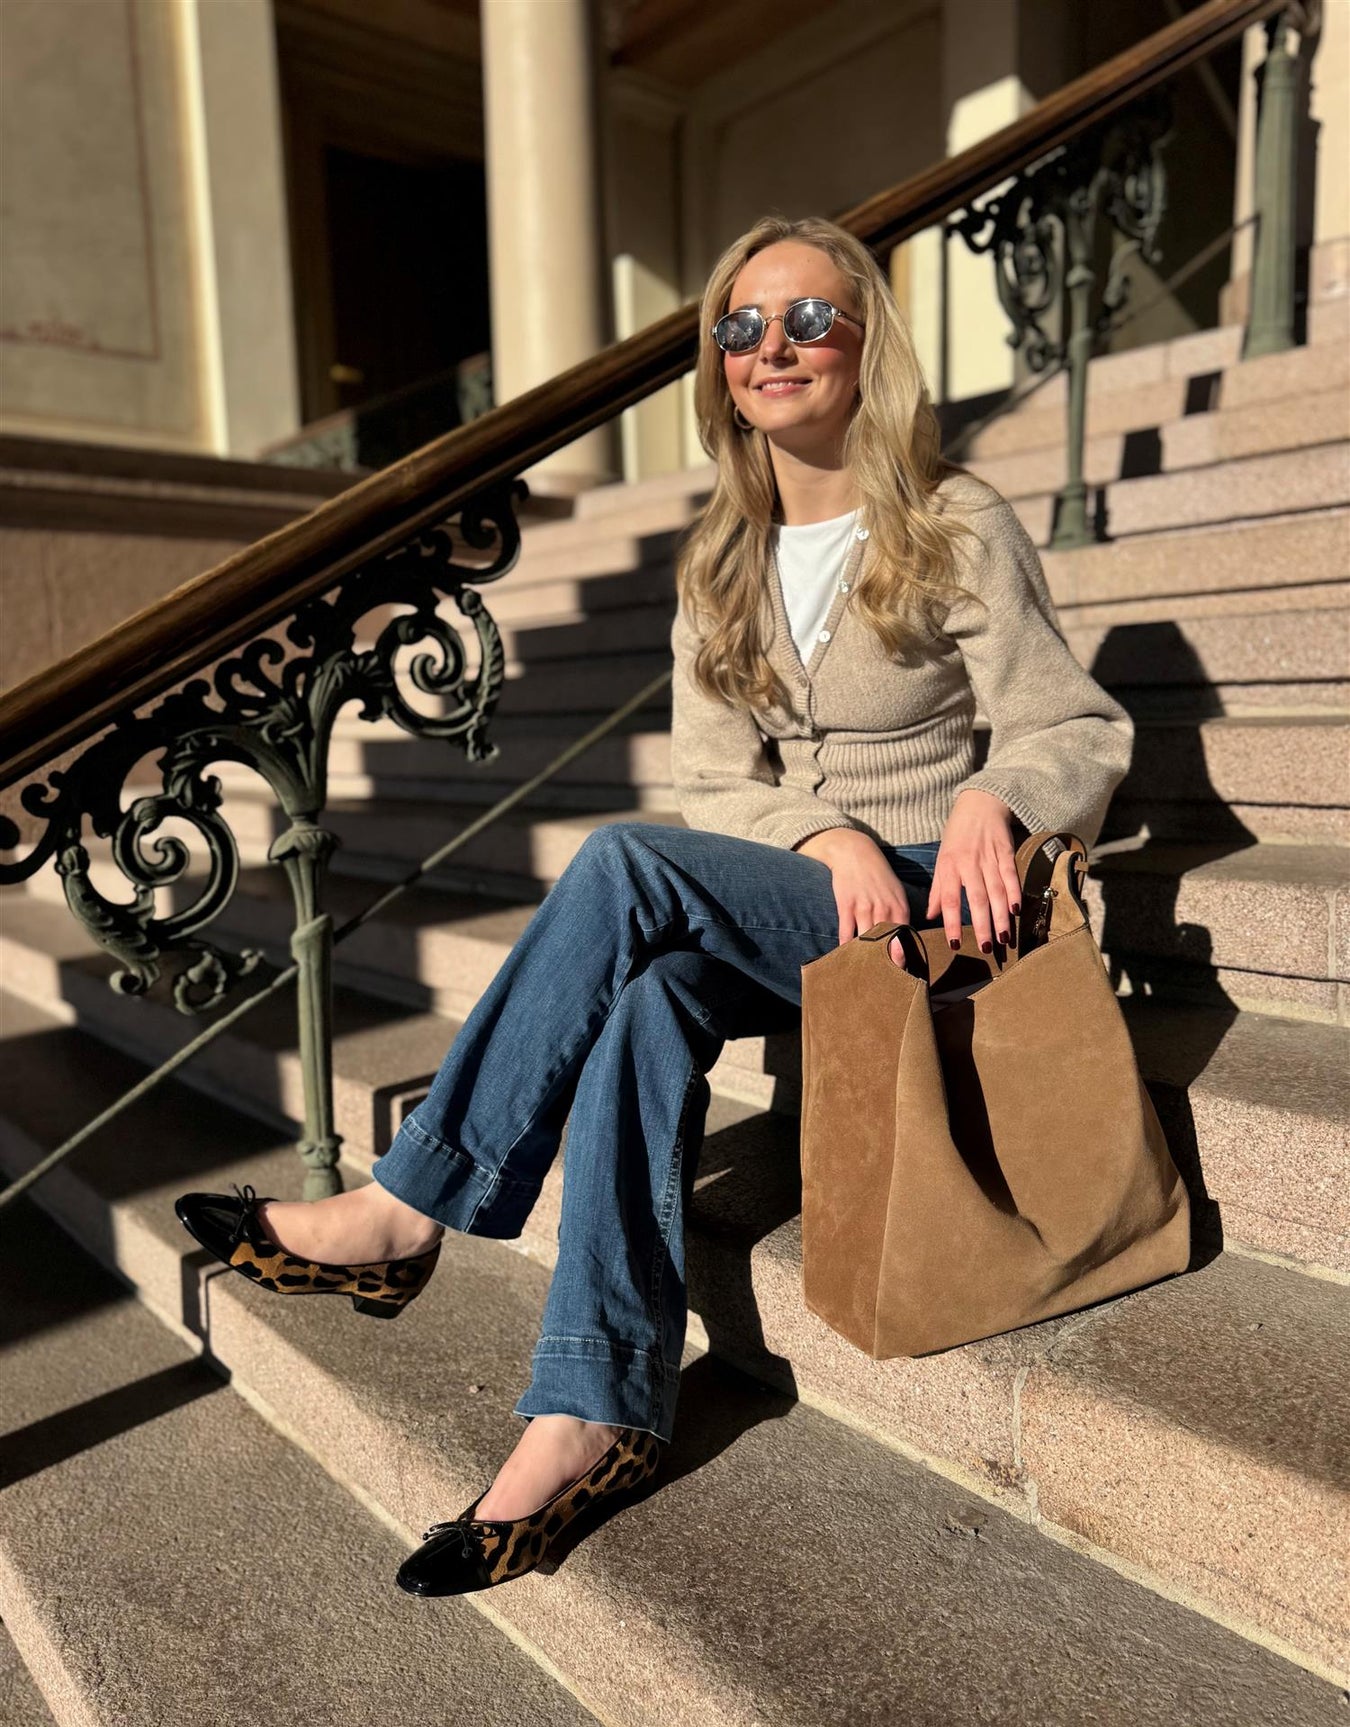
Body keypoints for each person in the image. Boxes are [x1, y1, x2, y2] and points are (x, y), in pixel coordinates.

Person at [174, 213, 1133, 1599]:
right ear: (718, 367)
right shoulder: (721, 556)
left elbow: (1073, 724)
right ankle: (593, 1407)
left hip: (935, 900)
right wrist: (820, 834)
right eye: (742, 327)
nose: (773, 347)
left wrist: (996, 797)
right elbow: (712, 783)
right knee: (646, 1000)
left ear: (867, 344)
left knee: (624, 867)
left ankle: (407, 1209)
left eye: (809, 319)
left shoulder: (951, 520)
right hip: (810, 894)